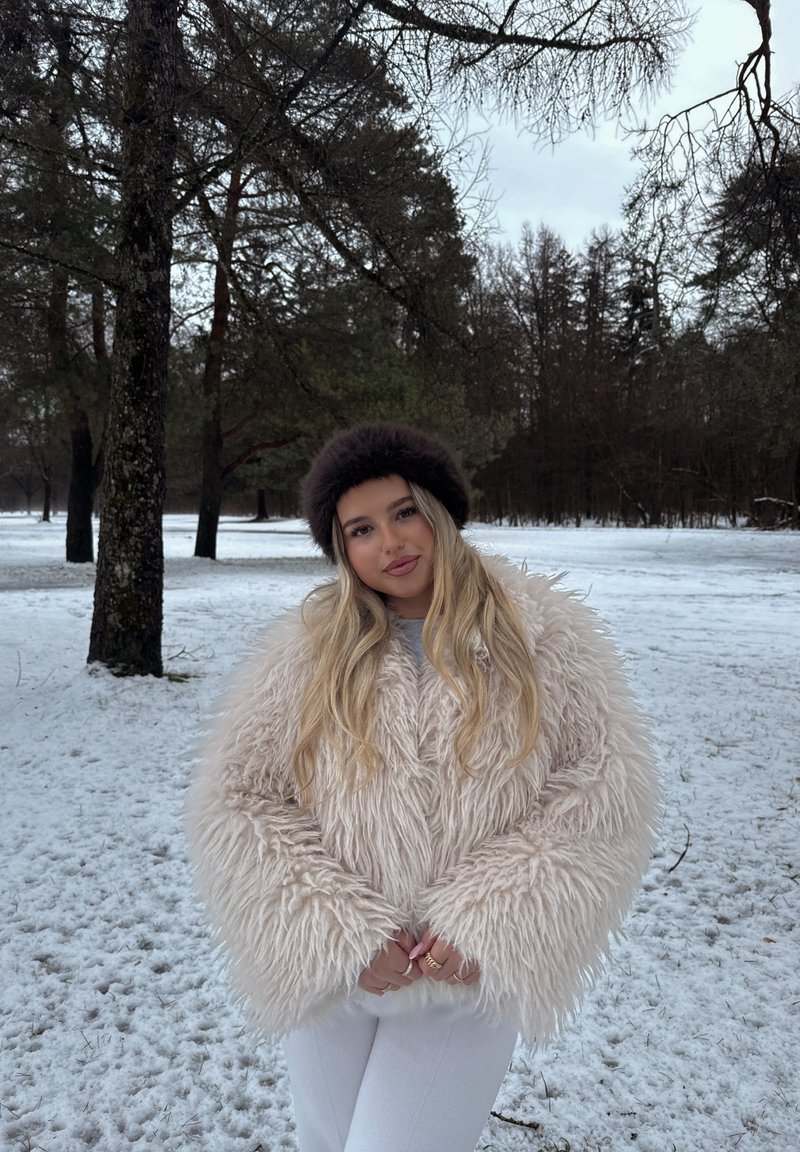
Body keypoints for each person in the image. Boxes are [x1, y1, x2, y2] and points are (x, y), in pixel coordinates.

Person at [186, 423, 660, 1152]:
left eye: (404, 511)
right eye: (361, 529)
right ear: (341, 548)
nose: (391, 542)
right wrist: (342, 932)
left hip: (457, 980)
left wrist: (487, 925)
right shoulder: (308, 649)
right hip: (337, 977)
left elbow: (604, 794)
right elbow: (237, 799)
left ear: (438, 511)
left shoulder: (543, 635)